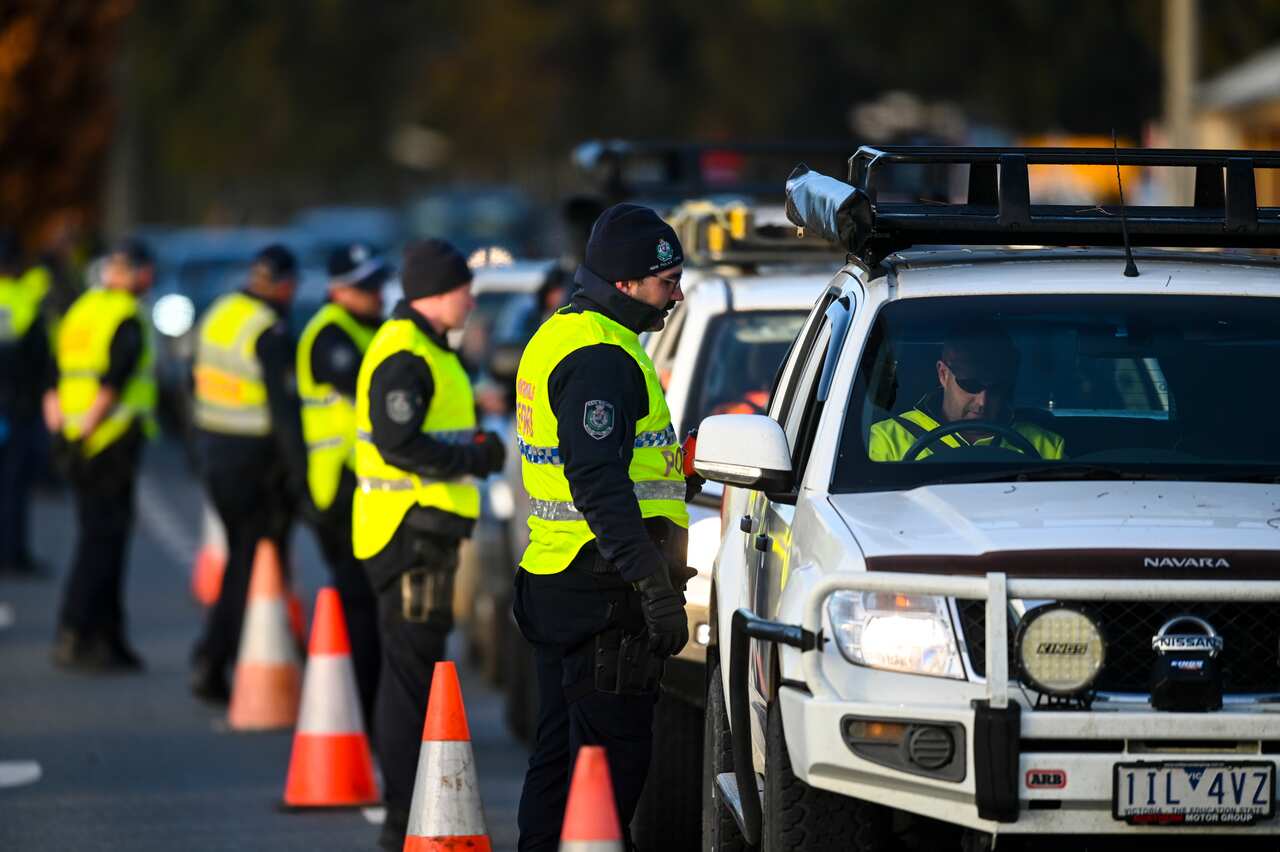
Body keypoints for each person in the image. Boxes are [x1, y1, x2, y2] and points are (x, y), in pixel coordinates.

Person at [513, 203, 696, 851]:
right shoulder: (601, 357)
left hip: (561, 578)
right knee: (606, 777)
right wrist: (653, 586)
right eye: (666, 281)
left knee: (561, 766)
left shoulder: (564, 333)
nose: (676, 294)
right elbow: (597, 482)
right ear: (625, 283)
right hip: (603, 595)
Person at [352, 238, 505, 851]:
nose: (471, 298)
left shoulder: (425, 348)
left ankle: (405, 812)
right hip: (410, 532)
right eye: (464, 287)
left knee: (410, 671)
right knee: (412, 677)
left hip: (418, 530)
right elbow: (399, 443)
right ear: (436, 293)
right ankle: (401, 818)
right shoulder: (405, 353)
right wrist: (475, 455)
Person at [190, 244, 306, 701]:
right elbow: (284, 414)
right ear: (284, 285)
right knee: (250, 564)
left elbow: (191, 382)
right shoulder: (269, 331)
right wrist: (300, 473)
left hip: (214, 449)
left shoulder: (221, 313)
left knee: (248, 560)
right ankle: (215, 659)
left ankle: (255, 651)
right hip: (255, 462)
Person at [45, 239, 156, 670]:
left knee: (96, 537)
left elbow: (54, 377)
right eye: (145, 271)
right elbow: (113, 382)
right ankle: (78, 631)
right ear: (136, 272)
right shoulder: (125, 316)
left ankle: (108, 638)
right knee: (104, 543)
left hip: (76, 438)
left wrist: (62, 435)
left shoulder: (81, 311)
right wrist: (89, 430)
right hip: (109, 439)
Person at [296, 244, 388, 723]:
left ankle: (367, 709)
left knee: (369, 603)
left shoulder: (368, 327)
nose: (375, 292)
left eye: (376, 282)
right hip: (340, 487)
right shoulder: (328, 334)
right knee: (357, 603)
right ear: (337, 291)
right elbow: (370, 389)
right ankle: (360, 711)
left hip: (367, 485)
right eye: (363, 285)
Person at [868, 321, 1065, 461]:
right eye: (971, 385)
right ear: (943, 374)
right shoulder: (885, 440)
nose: (983, 402)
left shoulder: (1046, 447)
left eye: (996, 388)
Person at [0, 233, 53, 576]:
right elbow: (40, 360)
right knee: (13, 485)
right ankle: (12, 555)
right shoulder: (24, 302)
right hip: (15, 406)